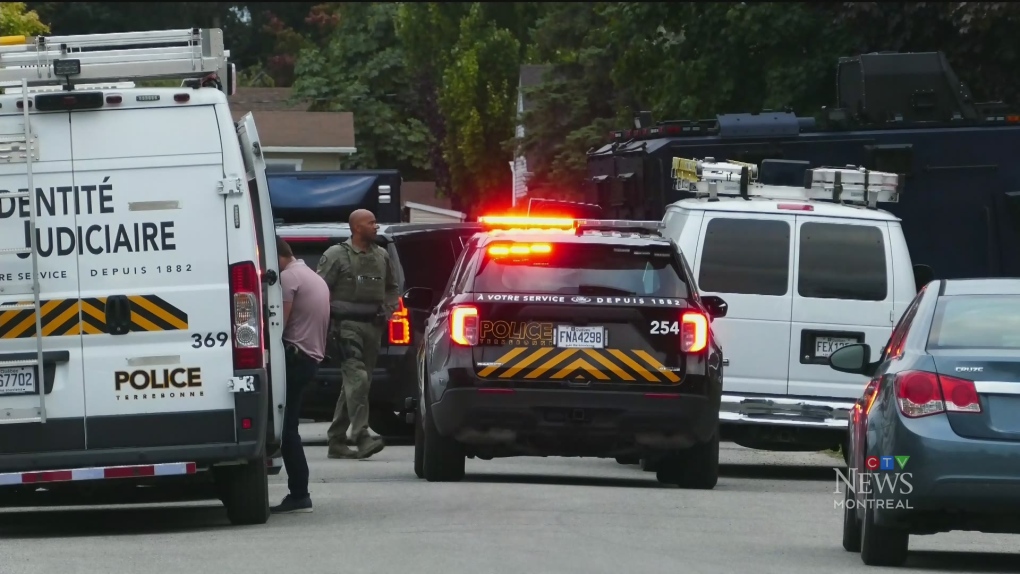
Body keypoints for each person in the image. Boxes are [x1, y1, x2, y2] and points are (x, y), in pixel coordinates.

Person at [317, 209, 399, 460]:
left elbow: (392, 288)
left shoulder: (381, 255)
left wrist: (387, 311)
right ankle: (362, 435)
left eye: (376, 221)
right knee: (358, 379)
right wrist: (325, 325)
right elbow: (320, 291)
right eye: (370, 222)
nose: (376, 226)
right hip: (345, 327)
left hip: (373, 327)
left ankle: (336, 439)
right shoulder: (336, 255)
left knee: (356, 384)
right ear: (356, 228)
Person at [271, 236, 331, 514]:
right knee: (289, 425)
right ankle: (299, 490)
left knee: (287, 429)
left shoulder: (288, 278)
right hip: (311, 357)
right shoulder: (311, 275)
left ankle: (299, 491)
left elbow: (277, 325)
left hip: (295, 358)